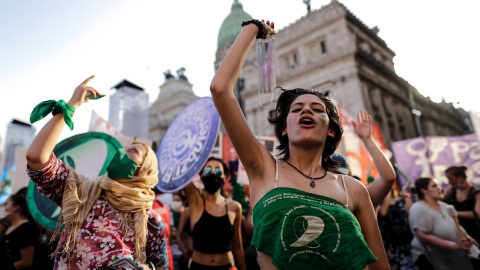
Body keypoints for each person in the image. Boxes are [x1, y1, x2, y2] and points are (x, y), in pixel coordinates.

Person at [210, 19, 388, 269]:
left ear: (330, 130)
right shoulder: (264, 170)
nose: (307, 110)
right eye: (297, 108)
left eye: (318, 109)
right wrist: (253, 29)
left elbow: (380, 266)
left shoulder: (353, 189)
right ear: (284, 127)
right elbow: (220, 89)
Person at [25, 76, 168, 270]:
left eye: (133, 151)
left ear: (145, 171)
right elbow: (37, 158)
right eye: (125, 147)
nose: (122, 151)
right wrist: (70, 106)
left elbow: (160, 267)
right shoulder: (82, 193)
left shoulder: (151, 221)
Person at [183, 157, 246, 270]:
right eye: (208, 170)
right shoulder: (195, 202)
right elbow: (183, 174)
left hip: (227, 267)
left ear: (225, 177)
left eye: (218, 171)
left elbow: (237, 247)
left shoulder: (235, 207)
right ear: (201, 175)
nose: (212, 173)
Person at [408, 176, 476, 270]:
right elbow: (422, 235)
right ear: (424, 190)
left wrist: (470, 240)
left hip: (455, 259)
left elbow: (457, 226)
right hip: (434, 260)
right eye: (434, 186)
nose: (439, 188)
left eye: (439, 185)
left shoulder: (444, 206)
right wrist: (454, 246)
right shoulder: (419, 209)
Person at [333, 110, 396, 208]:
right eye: (334, 175)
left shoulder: (358, 195)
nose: (339, 180)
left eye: (342, 176)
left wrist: (367, 140)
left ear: (350, 175)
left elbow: (388, 178)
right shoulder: (319, 197)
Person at [377, 180, 417, 270]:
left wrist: (405, 192)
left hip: (406, 239)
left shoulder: (399, 200)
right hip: (393, 243)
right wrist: (386, 189)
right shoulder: (379, 204)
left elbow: (410, 210)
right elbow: (383, 212)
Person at [443, 165, 480, 244]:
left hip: (474, 232)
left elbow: (477, 214)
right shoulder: (451, 190)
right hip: (458, 232)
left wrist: (455, 213)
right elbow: (440, 200)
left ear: (460, 178)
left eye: (451, 179)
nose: (449, 182)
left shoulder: (476, 194)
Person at [0, 193, 38, 269]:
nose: (3, 208)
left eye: (6, 204)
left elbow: (26, 261)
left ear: (16, 207)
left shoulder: (26, 228)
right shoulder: (8, 227)